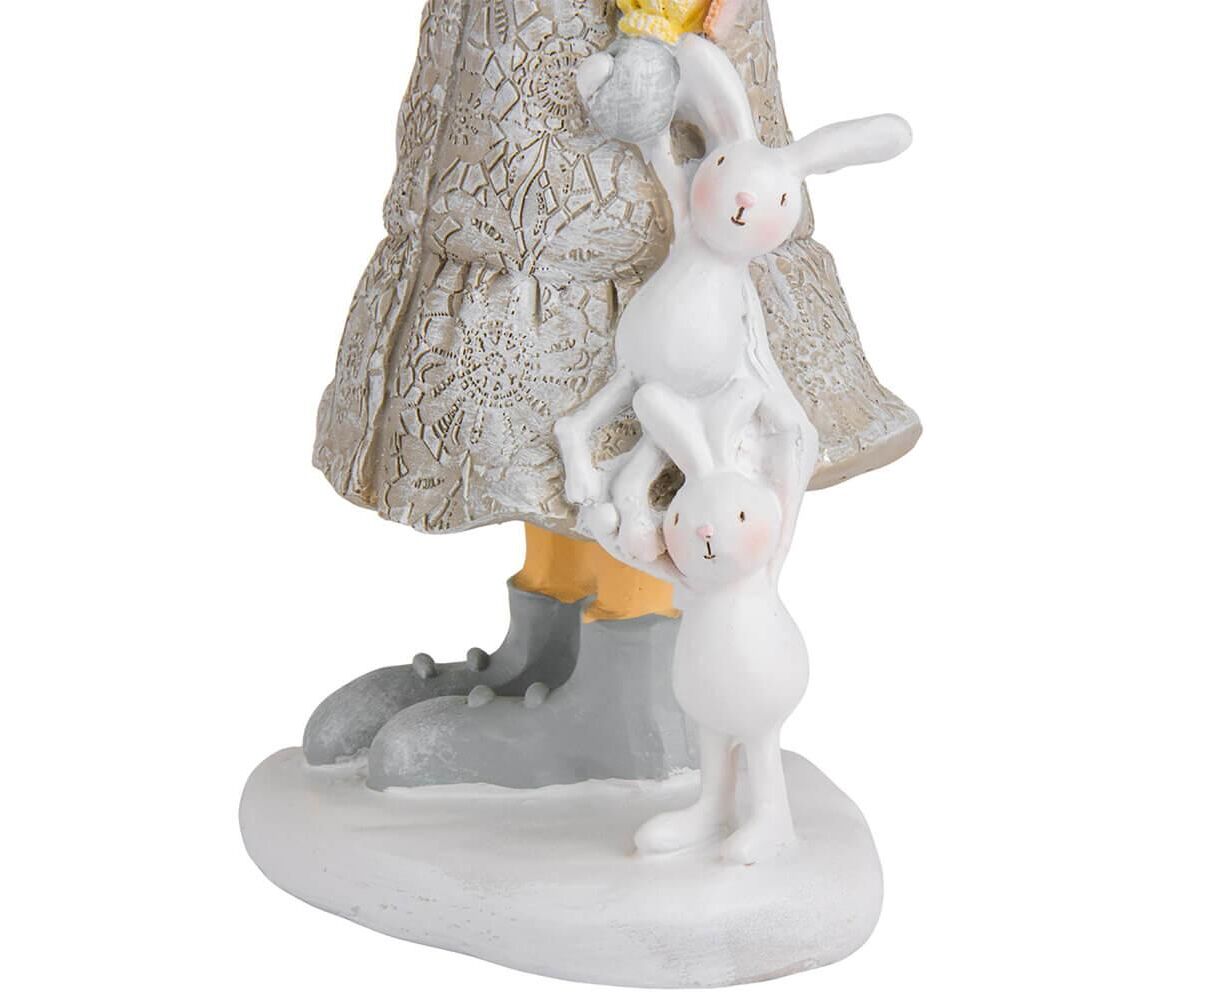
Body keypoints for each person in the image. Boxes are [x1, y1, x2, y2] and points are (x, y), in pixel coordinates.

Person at [306, 0, 919, 787]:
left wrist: (658, 28)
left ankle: (631, 693)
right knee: (554, 380)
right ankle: (551, 649)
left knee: (629, 288)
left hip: (642, 47)